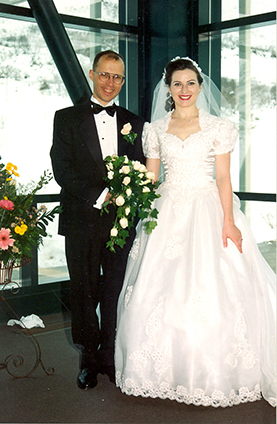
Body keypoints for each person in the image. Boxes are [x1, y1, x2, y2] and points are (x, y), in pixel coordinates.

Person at [115, 57, 276, 407]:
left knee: (213, 288)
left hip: (208, 208)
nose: (184, 90)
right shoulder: (155, 129)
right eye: (177, 84)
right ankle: (163, 374)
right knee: (155, 292)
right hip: (167, 210)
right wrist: (128, 191)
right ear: (168, 89)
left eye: (190, 83)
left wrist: (229, 220)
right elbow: (152, 179)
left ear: (200, 86)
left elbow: (222, 178)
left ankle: (213, 374)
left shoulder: (219, 127)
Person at [50, 50, 145, 390]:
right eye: (105, 75)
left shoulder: (134, 121)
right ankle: (88, 359)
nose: (110, 83)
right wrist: (101, 195)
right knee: (84, 291)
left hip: (120, 223)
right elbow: (63, 170)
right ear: (92, 74)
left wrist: (127, 203)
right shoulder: (66, 118)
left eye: (117, 77)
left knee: (115, 291)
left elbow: (141, 170)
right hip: (81, 219)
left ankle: (109, 357)